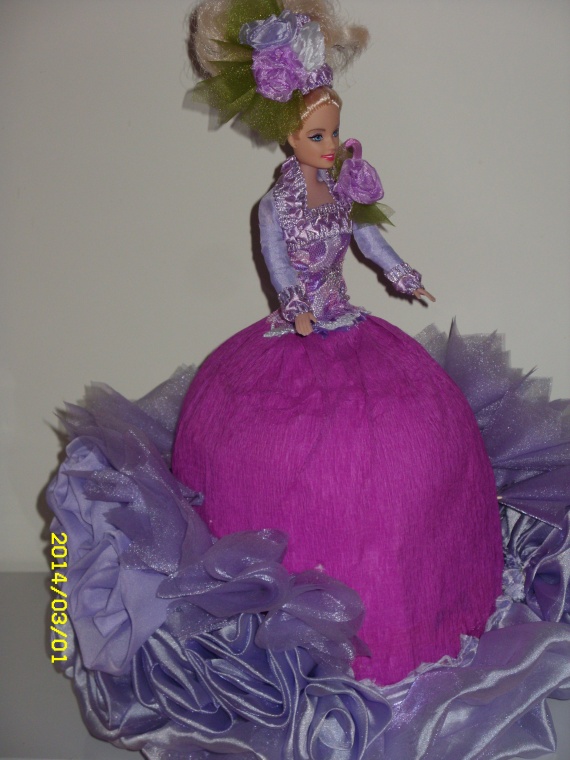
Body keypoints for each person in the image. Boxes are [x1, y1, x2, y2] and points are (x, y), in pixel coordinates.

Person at [172, 1, 503, 685]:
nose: (331, 145)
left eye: (335, 132)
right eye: (318, 134)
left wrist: (402, 274)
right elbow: (278, 264)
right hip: (299, 325)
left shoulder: (345, 188)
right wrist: (296, 307)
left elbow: (370, 239)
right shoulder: (275, 206)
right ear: (290, 138)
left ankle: (415, 624)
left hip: (348, 323)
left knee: (403, 448)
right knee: (280, 462)